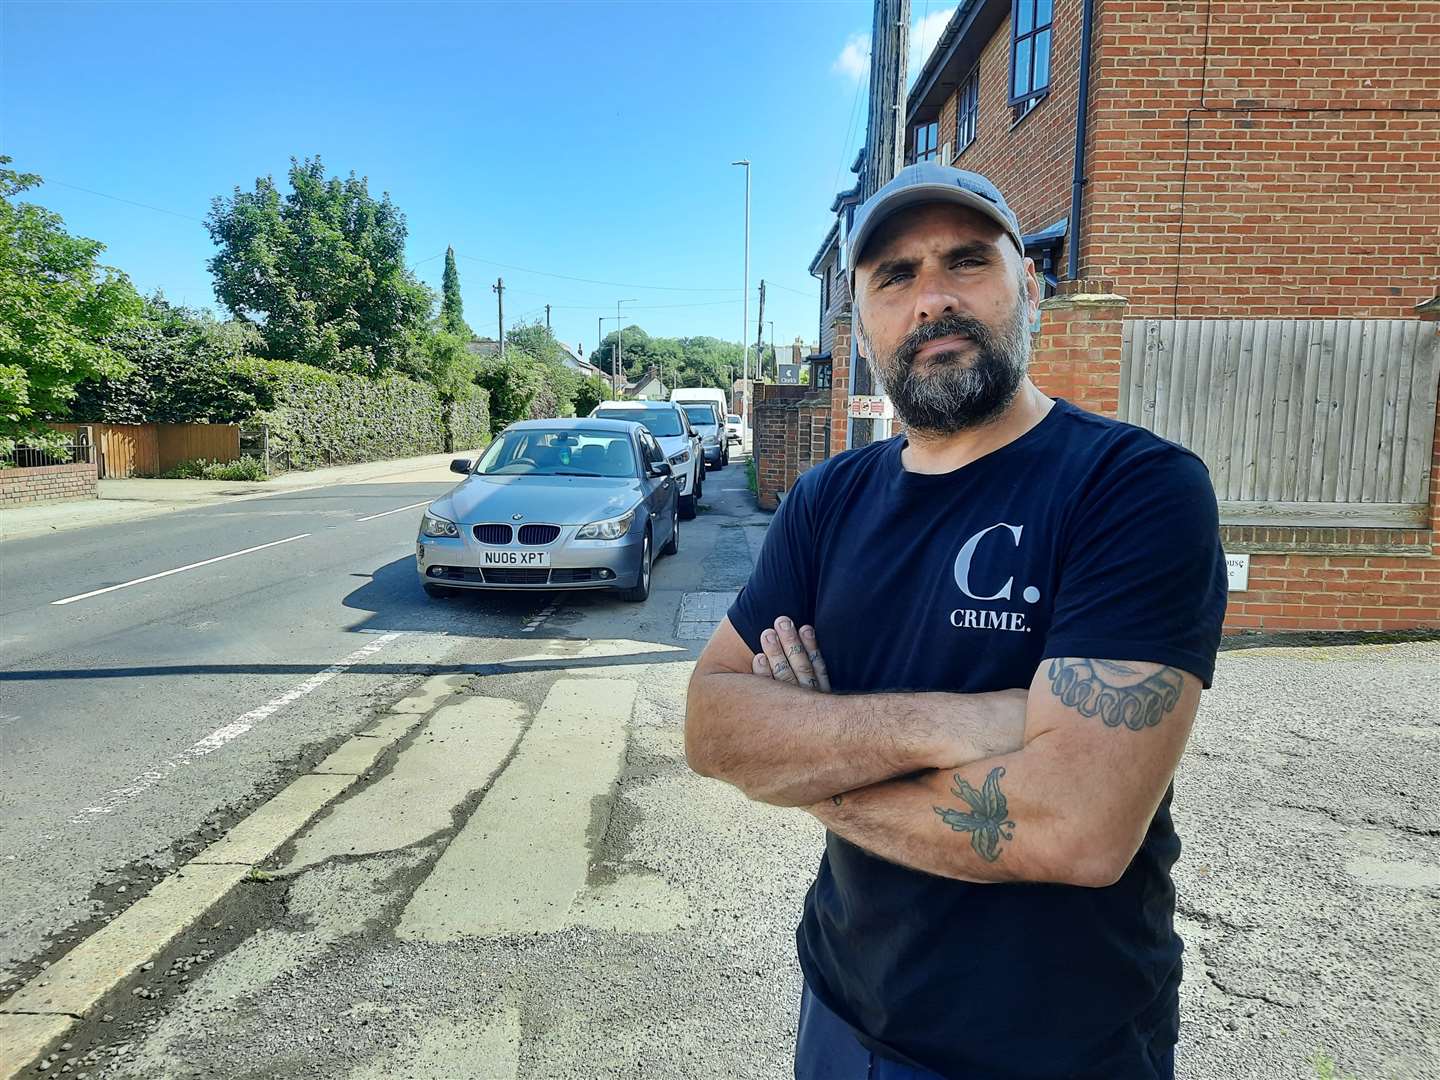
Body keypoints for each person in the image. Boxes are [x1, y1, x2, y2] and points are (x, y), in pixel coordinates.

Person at [684, 162, 1227, 1080]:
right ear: (860, 325)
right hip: (841, 1011)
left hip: (1056, 1049)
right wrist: (970, 720)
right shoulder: (826, 502)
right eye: (894, 276)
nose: (932, 297)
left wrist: (804, 759)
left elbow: (1075, 828)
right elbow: (711, 725)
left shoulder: (1131, 489)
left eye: (966, 261)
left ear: (1031, 288)